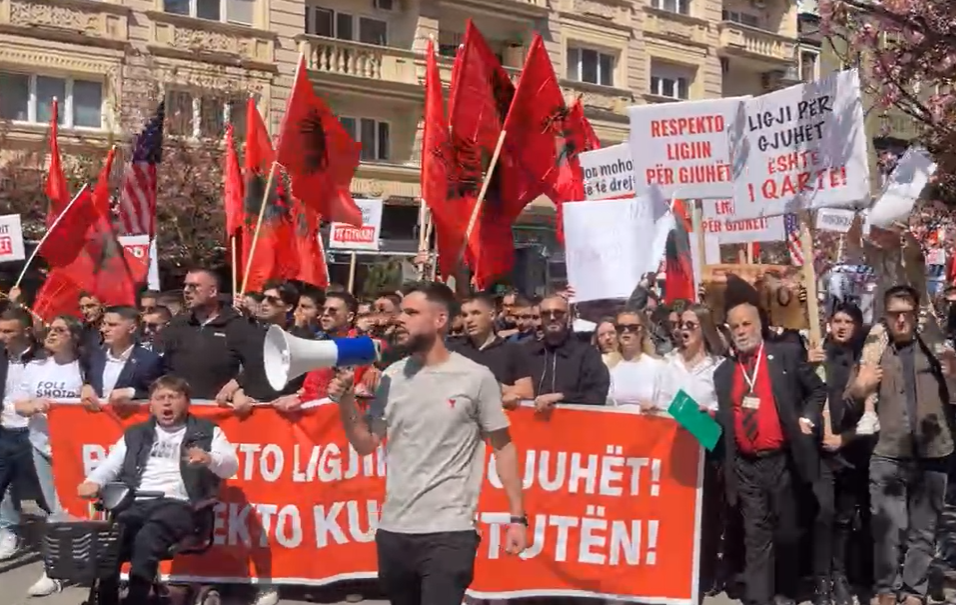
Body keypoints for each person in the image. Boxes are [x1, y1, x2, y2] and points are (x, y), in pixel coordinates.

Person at [328, 281, 527, 604]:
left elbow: (503, 446)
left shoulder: (476, 377)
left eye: (411, 312)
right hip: (394, 530)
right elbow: (366, 443)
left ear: (440, 320)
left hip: (450, 531)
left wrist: (517, 518)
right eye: (401, 311)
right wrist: (347, 401)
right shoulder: (391, 375)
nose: (399, 319)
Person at [78, 375, 239, 605]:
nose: (166, 403)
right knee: (110, 543)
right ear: (151, 405)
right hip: (136, 501)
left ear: (186, 402)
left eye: (173, 397)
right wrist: (94, 481)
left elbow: (230, 467)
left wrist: (209, 458)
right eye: (160, 398)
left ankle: (136, 599)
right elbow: (111, 465)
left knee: (146, 540)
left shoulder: (207, 431)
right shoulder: (135, 434)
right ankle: (106, 600)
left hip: (179, 504)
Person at [847, 285, 955, 605]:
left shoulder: (934, 347)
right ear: (885, 315)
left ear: (916, 313)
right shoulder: (873, 348)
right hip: (887, 453)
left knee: (923, 531)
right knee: (887, 531)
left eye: (906, 313)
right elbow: (849, 400)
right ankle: (887, 589)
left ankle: (913, 591)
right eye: (894, 314)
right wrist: (858, 389)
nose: (901, 321)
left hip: (933, 451)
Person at [714, 299, 827, 605]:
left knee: (788, 534)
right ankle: (761, 598)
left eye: (746, 323)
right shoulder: (724, 373)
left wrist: (809, 417)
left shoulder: (786, 355)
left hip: (783, 463)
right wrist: (695, 418)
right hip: (745, 467)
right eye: (734, 326)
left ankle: (785, 592)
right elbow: (723, 426)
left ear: (759, 325)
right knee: (756, 538)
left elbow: (817, 390)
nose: (740, 330)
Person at [13, 315, 89, 597]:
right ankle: (64, 564)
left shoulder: (84, 368)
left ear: (75, 337)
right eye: (50, 329)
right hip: (41, 445)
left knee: (63, 510)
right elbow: (19, 405)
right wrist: (32, 405)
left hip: (73, 450)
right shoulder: (34, 367)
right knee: (52, 509)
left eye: (60, 330)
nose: (52, 334)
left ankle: (54, 570)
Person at [806, 302, 868, 605]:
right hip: (820, 452)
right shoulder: (817, 354)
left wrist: (843, 439)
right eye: (837, 320)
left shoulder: (862, 359)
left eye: (848, 321)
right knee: (823, 514)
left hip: (852, 449)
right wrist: (806, 364)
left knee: (845, 518)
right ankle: (821, 580)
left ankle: (839, 575)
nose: (842, 326)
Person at [153, 269, 258, 402]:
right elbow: (156, 363)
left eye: (194, 286)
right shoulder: (177, 325)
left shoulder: (238, 326)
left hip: (220, 410)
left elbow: (257, 364)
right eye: (185, 285)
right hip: (178, 409)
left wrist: (238, 385)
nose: (186, 290)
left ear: (212, 291)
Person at [0, 308, 39, 560]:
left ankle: (58, 536)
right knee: (3, 488)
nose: (2, 336)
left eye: (8, 331)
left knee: (42, 492)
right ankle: (7, 531)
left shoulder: (44, 358)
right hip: (4, 430)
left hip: (33, 432)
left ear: (26, 332)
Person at [525, 293, 609, 408]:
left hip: (574, 423)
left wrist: (562, 397)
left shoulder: (587, 354)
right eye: (546, 314)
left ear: (569, 317)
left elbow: (597, 395)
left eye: (558, 313)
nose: (552, 318)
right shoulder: (528, 352)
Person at [452, 293, 533, 408]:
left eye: (475, 313)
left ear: (492, 315)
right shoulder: (454, 350)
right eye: (465, 315)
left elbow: (527, 391)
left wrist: (494, 387)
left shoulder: (512, 350)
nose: (469, 320)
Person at [80, 306, 164, 408]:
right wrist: (86, 387)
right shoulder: (94, 357)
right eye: (103, 324)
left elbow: (161, 393)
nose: (104, 329)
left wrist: (132, 392)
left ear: (132, 328)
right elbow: (88, 381)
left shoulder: (149, 360)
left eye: (112, 325)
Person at [606, 309, 666, 409]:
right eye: (620, 328)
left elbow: (666, 402)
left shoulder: (658, 366)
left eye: (632, 328)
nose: (626, 331)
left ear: (642, 331)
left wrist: (656, 407)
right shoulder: (608, 365)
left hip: (647, 421)